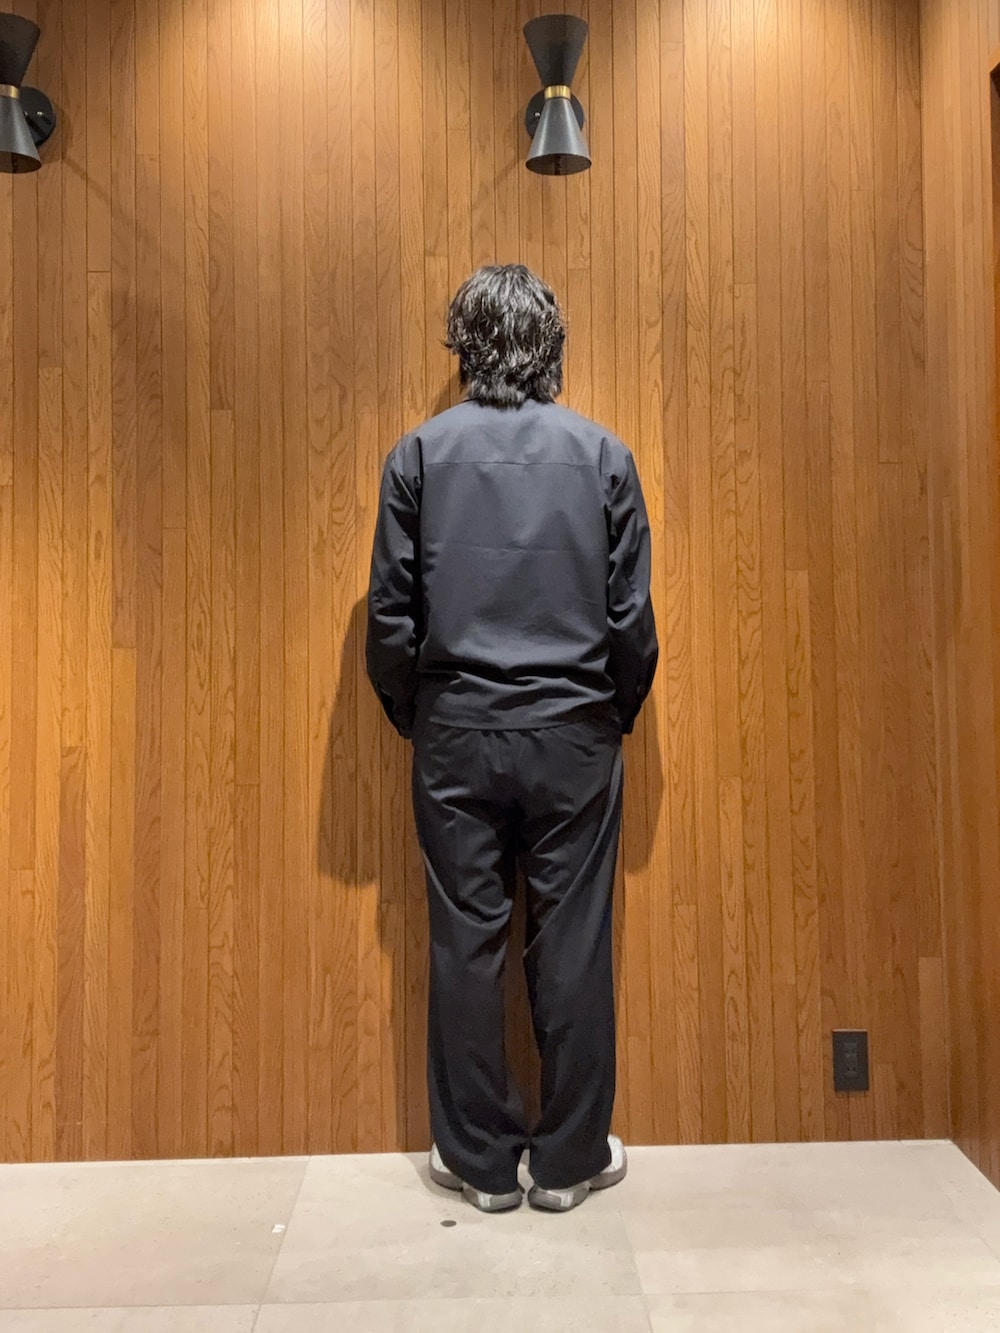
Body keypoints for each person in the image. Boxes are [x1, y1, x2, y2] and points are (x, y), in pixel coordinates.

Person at [366, 264, 657, 1213]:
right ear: (552, 349)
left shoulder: (418, 456)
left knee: (465, 941)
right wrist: (606, 716)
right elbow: (632, 624)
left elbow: (391, 624)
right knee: (572, 941)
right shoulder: (603, 456)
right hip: (574, 732)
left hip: (456, 731)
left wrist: (422, 719)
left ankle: (481, 1166)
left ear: (464, 347)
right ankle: (568, 1163)